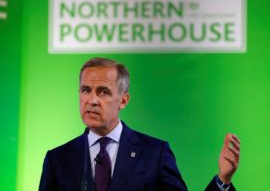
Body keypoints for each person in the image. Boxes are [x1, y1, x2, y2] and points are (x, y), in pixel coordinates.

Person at [39, 57, 240, 191]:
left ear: (123, 100)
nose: (92, 100)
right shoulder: (58, 160)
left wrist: (222, 180)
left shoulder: (155, 153)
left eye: (103, 92)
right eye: (85, 90)